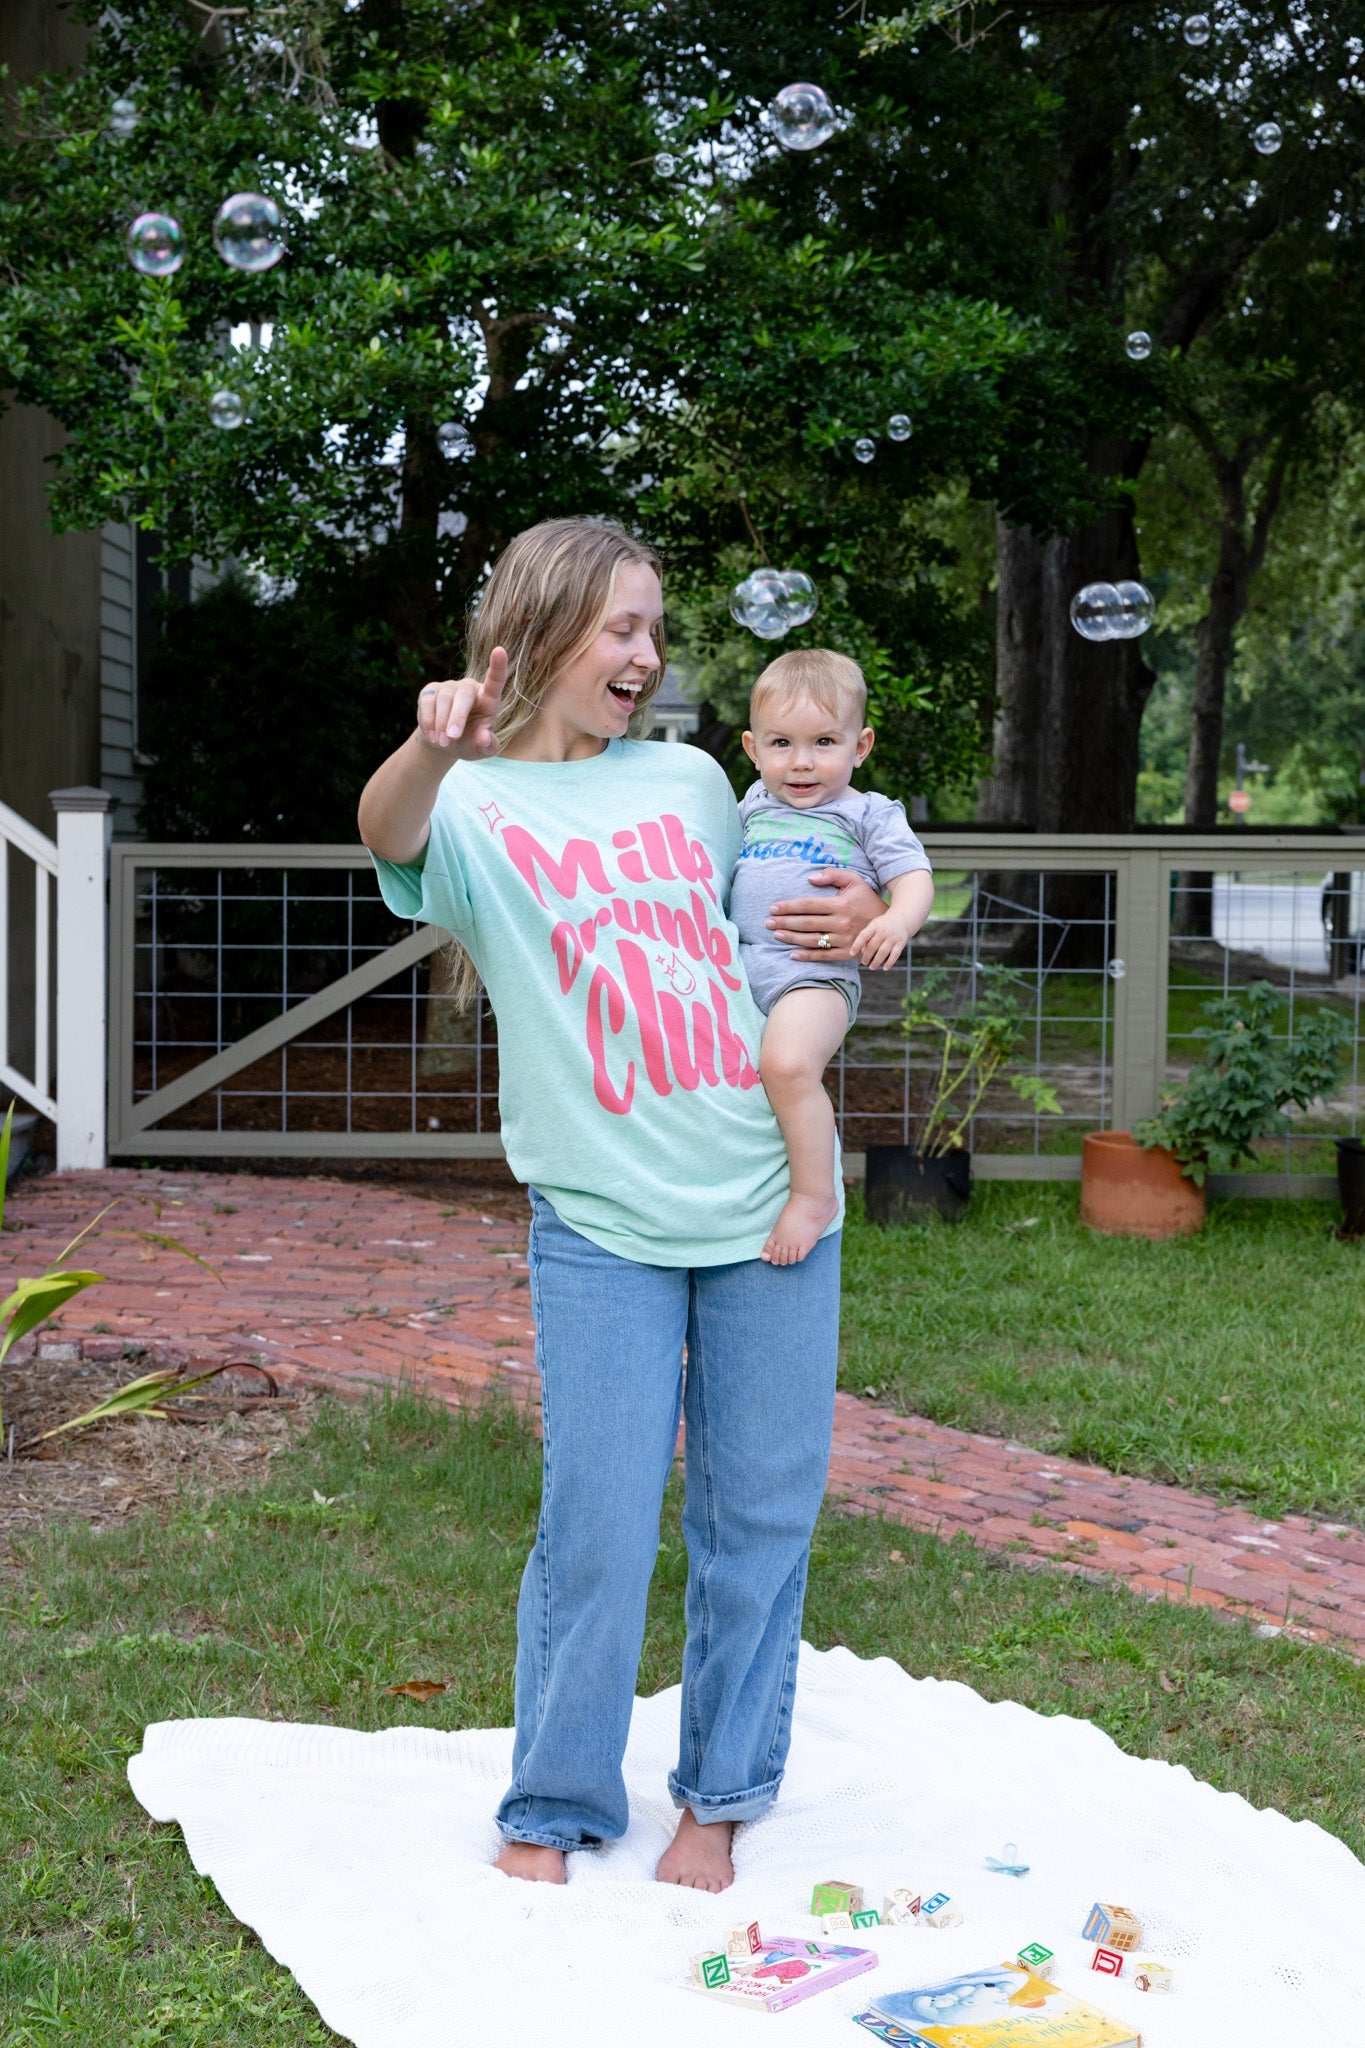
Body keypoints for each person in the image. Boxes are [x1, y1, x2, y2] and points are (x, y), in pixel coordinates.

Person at [356, 516, 888, 1895]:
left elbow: (785, 918)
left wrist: (856, 922)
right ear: (536, 633)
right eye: (622, 628)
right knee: (593, 1518)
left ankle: (717, 1796)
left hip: (765, 1195)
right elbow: (386, 833)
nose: (649, 656)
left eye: (656, 630)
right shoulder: (465, 801)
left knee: (757, 1515)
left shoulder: (698, 782)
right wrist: (433, 741)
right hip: (598, 1213)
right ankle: (556, 1796)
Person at [732, 648, 935, 1265]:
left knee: (790, 1067)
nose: (801, 762)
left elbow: (915, 875)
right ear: (752, 748)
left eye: (824, 741)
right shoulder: (748, 808)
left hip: (813, 978)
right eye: (781, 743)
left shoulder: (868, 811)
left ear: (861, 745)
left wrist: (897, 918)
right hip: (738, 969)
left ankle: (814, 1194)